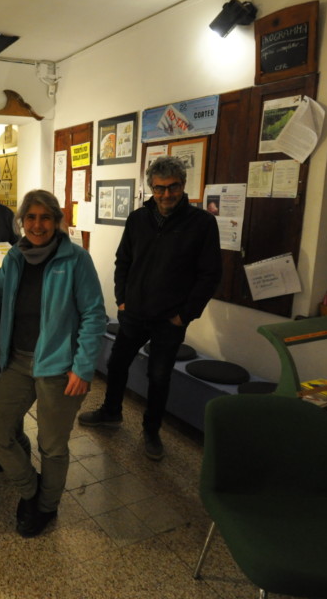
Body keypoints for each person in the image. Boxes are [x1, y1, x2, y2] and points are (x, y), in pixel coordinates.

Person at [0, 189, 105, 537]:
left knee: (51, 446)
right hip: (19, 361)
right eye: (31, 218)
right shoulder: (16, 257)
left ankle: (46, 507)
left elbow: (94, 314)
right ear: (22, 222)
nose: (38, 225)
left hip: (60, 368)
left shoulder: (76, 259)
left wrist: (83, 368)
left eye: (45, 218)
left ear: (56, 221)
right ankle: (32, 490)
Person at [79, 155, 221, 461]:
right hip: (134, 313)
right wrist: (122, 299)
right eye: (159, 188)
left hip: (170, 319)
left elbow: (210, 275)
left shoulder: (202, 224)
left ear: (183, 186)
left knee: (159, 377)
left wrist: (184, 315)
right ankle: (111, 412)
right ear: (151, 188)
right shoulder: (137, 219)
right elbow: (123, 261)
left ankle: (151, 431)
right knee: (117, 364)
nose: (166, 194)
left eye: (173, 187)